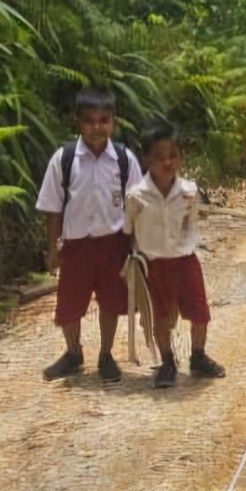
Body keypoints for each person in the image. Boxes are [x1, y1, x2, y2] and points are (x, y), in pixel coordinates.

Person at [36, 88, 142, 382]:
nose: (97, 127)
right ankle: (73, 353)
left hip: (114, 244)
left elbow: (136, 205)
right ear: (77, 122)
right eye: (90, 121)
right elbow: (53, 208)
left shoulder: (124, 159)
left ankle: (106, 355)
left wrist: (138, 248)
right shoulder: (65, 159)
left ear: (114, 122)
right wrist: (53, 247)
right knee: (69, 304)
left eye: (103, 120)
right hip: (76, 245)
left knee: (111, 302)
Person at [124, 122, 224, 388]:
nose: (167, 162)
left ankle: (198, 355)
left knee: (199, 310)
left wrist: (186, 245)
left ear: (181, 157)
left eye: (173, 156)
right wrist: (136, 259)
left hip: (185, 261)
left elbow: (191, 223)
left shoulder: (189, 192)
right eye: (159, 157)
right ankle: (167, 360)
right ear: (146, 160)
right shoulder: (136, 196)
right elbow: (129, 228)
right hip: (154, 265)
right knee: (161, 315)